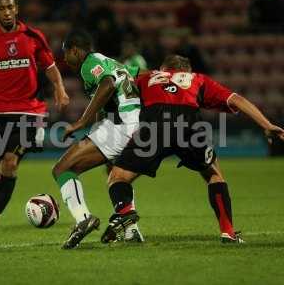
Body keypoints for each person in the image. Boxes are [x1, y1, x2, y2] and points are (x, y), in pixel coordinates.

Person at [99, 55, 284, 244]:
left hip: (154, 125)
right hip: (189, 125)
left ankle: (125, 212)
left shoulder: (146, 78)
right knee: (214, 175)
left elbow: (116, 94)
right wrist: (267, 124)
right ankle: (228, 232)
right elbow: (236, 99)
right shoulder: (197, 79)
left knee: (118, 177)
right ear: (186, 71)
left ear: (163, 68)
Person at [0, 0, 69, 236]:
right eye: (2, 9)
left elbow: (51, 67)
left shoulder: (33, 36)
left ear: (17, 9)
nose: (7, 13)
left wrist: (60, 89)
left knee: (10, 164)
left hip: (29, 112)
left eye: (10, 8)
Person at [52, 30, 145, 249]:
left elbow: (108, 85)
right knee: (117, 175)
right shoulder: (111, 62)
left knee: (62, 169)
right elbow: (140, 75)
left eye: (66, 53)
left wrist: (82, 122)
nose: (65, 58)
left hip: (121, 126)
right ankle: (131, 231)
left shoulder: (89, 64)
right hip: (138, 125)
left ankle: (83, 218)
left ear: (75, 50)